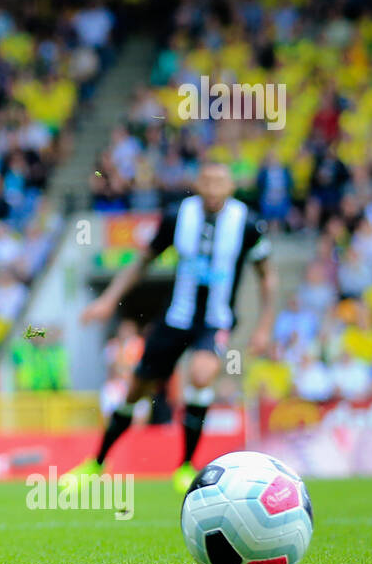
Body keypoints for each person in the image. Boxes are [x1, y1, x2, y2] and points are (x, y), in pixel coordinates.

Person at [74, 162, 276, 492]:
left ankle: (185, 466)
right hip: (174, 319)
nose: (212, 189)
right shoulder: (177, 216)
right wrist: (109, 300)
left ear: (231, 187)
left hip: (215, 321)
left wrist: (264, 326)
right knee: (135, 391)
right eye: (207, 181)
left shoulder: (249, 223)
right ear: (197, 184)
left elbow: (268, 277)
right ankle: (97, 462)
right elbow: (142, 261)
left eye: (219, 182)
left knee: (200, 375)